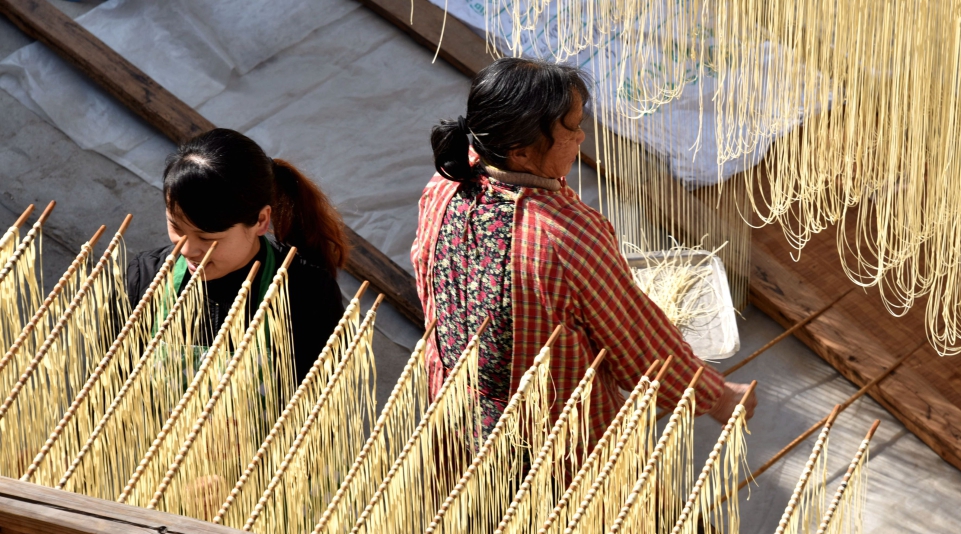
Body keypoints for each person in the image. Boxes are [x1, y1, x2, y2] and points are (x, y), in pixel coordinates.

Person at [412, 58, 757, 444]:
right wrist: (718, 396)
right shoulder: (564, 239)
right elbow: (638, 345)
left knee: (484, 503)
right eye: (572, 129)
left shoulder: (448, 181)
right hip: (553, 439)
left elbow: (429, 283)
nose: (581, 138)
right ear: (521, 153)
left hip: (456, 412)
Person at [126, 128, 349, 383]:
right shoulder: (145, 279)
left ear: (261, 220)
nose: (187, 250)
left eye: (207, 238)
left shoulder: (306, 294)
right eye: (176, 228)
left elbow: (318, 398)